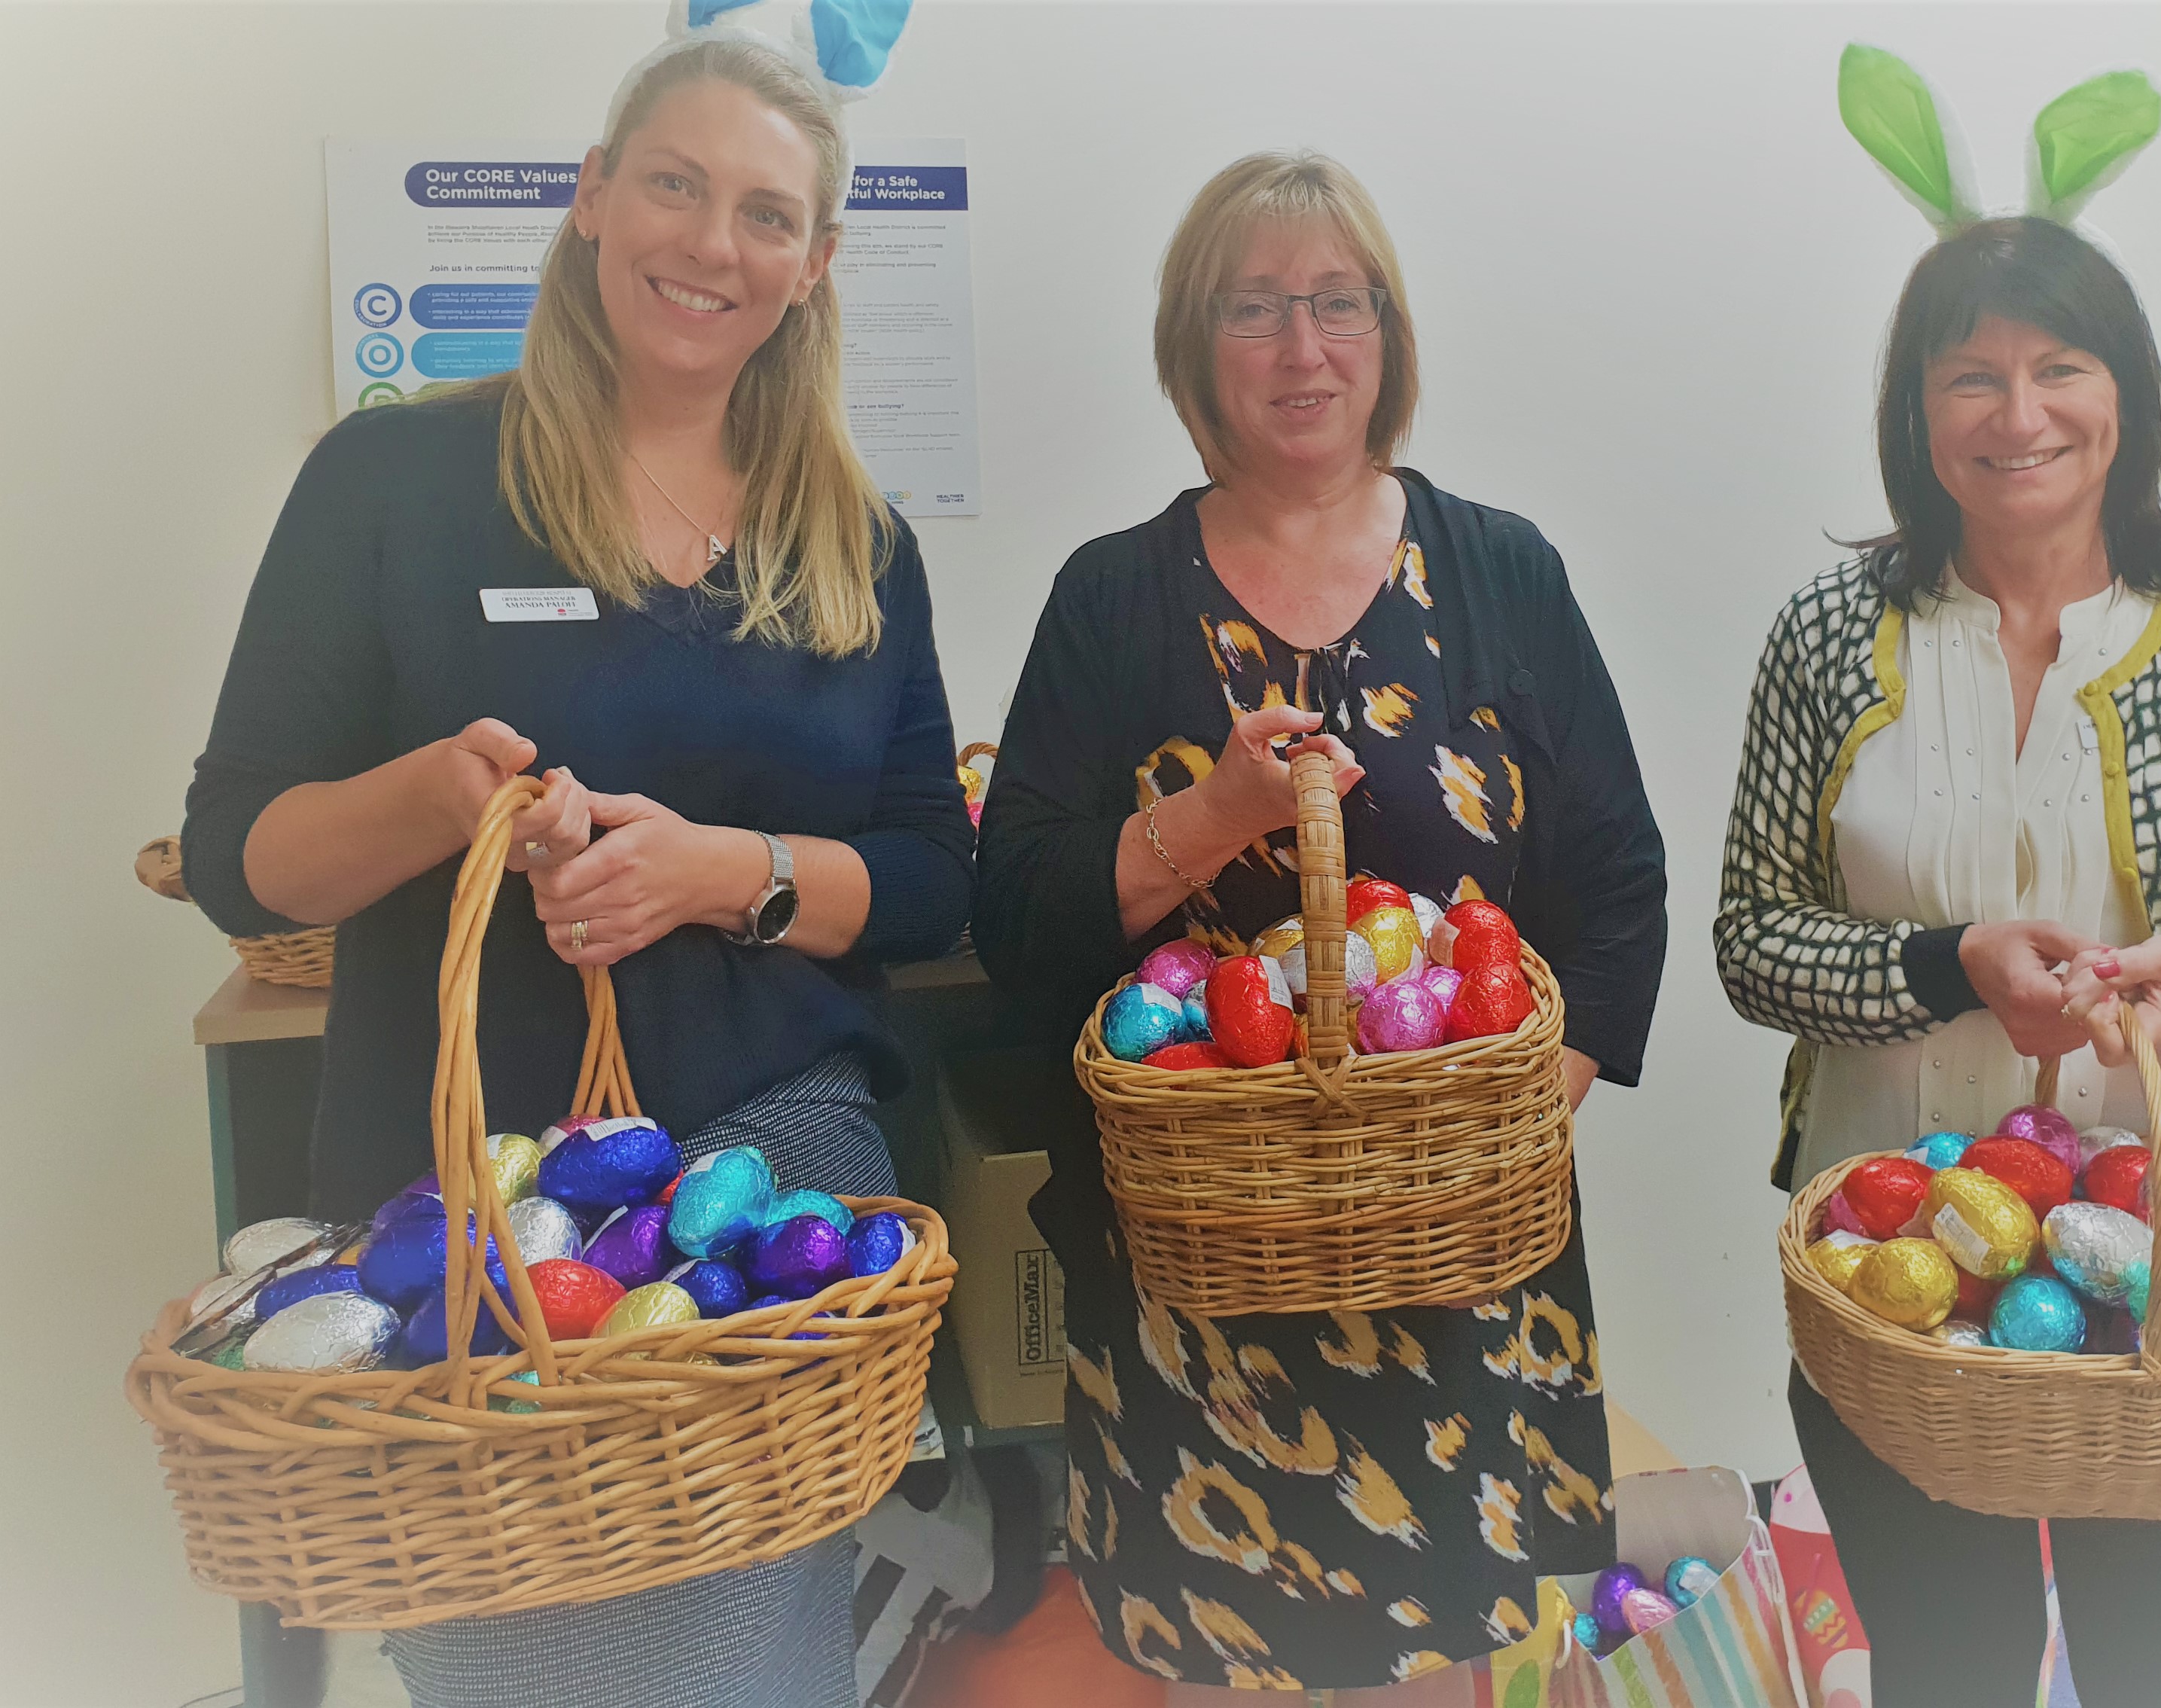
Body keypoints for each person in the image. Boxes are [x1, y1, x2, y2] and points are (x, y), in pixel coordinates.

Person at [180, 30, 968, 1708]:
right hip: (458, 1190)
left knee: (715, 1633)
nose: (711, 244)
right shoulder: (390, 480)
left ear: (814, 265)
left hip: (768, 1177)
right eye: (674, 186)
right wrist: (430, 798)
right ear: (593, 199)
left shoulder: (857, 539)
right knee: (514, 1638)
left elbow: (926, 879)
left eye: (766, 215)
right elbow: (245, 860)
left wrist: (721, 874)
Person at [973, 151, 1669, 1697]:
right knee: (1218, 1672)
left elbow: (1614, 888)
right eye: (1255, 310)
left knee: (1436, 1675)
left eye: (1336, 305)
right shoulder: (1110, 600)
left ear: (1385, 333)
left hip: (1452, 1281)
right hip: (1192, 1284)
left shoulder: (1499, 572)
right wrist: (1209, 820)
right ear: (1190, 348)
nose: (1302, 351)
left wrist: (1493, 1127)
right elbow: (1015, 913)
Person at [1713, 207, 2161, 1705]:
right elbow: (1752, 942)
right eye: (1968, 378)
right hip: (1900, 1271)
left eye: (2057, 366)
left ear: (2122, 393)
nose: (2018, 417)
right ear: (1914, 412)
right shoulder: (1828, 634)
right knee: (1946, 1671)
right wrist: (1946, 963)